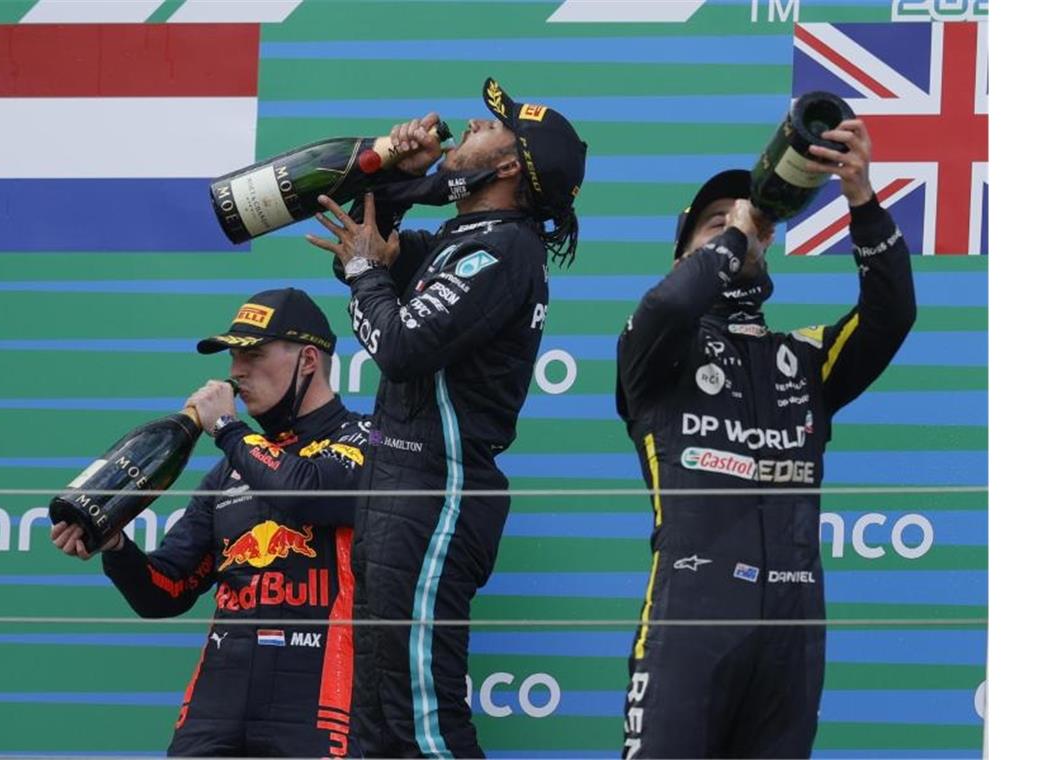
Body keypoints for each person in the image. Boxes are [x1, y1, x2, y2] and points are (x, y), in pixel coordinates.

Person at [304, 77, 587, 757]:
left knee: (421, 724)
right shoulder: (470, 238)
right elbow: (371, 221)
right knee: (376, 724)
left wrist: (366, 276)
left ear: (510, 166)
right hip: (399, 488)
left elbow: (399, 346)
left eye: (491, 127)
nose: (470, 124)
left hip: (438, 493)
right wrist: (399, 169)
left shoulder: (501, 251)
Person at [615, 120, 916, 758]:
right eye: (713, 221)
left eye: (744, 216)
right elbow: (670, 307)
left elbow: (892, 315)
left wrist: (861, 198)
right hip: (691, 618)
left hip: (793, 627)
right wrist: (738, 232)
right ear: (684, 256)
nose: (735, 226)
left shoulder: (804, 355)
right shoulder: (655, 348)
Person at [50, 288, 370, 758]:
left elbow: (305, 493)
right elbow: (166, 591)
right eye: (233, 356)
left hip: (319, 693)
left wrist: (226, 428)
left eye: (253, 354)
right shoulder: (226, 473)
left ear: (307, 361)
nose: (236, 371)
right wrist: (116, 546)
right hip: (219, 700)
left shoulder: (368, 438)